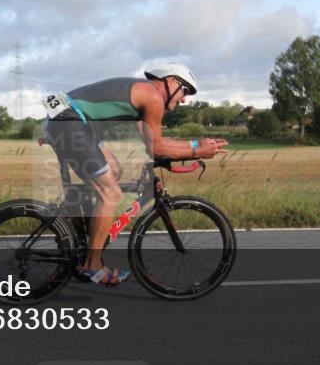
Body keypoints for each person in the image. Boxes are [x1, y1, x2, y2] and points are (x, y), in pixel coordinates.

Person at [42, 63, 227, 286]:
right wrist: (198, 149)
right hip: (70, 122)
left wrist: (194, 145)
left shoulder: (142, 95)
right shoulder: (153, 97)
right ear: (170, 81)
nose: (184, 99)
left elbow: (151, 142)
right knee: (110, 192)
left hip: (66, 118)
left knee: (115, 171)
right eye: (185, 91)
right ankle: (92, 265)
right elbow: (156, 148)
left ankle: (76, 231)